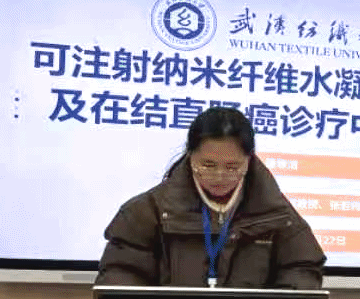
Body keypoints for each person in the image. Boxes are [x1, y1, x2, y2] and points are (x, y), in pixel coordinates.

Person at [97, 106, 325, 289]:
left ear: (249, 161)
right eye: (208, 165)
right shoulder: (147, 212)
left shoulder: (276, 214)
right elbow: (121, 274)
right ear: (190, 155)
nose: (220, 176)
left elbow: (301, 269)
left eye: (232, 167)